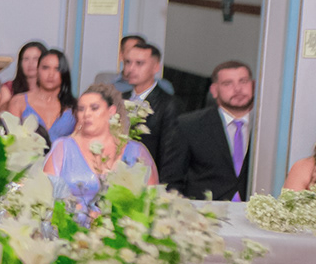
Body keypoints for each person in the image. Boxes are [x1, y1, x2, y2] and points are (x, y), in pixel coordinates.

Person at [43, 82, 155, 215]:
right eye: (81, 109)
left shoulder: (136, 152)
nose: (87, 114)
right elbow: (44, 198)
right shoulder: (63, 148)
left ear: (111, 111)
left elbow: (152, 204)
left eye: (94, 108)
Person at [163, 60, 255, 201]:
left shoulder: (269, 127)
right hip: (204, 215)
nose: (237, 89)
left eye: (243, 81)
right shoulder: (189, 125)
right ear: (214, 90)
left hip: (257, 214)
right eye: (227, 83)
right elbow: (172, 180)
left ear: (253, 85)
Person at [119, 41, 176, 179]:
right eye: (128, 62)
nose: (131, 69)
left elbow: (169, 154)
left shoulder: (168, 104)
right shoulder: (119, 99)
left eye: (139, 63)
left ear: (156, 67)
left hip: (148, 178)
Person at [8, 47, 76, 143]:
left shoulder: (75, 107)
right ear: (37, 70)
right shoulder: (19, 102)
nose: (51, 74)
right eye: (45, 68)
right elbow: (10, 141)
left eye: (57, 69)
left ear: (64, 73)